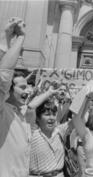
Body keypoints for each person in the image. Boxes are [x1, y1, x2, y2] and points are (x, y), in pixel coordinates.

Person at [0, 17, 33, 177]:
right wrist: (16, 37)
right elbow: (3, 77)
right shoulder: (2, 111)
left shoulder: (23, 112)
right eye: (22, 87)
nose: (28, 91)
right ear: (9, 90)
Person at [29, 87, 71, 177]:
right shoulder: (31, 132)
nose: (51, 118)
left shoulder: (61, 131)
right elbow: (31, 107)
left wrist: (86, 97)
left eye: (53, 115)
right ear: (37, 118)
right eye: (47, 115)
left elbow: (77, 118)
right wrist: (49, 93)